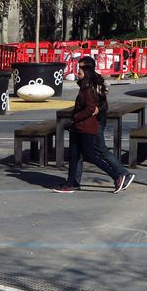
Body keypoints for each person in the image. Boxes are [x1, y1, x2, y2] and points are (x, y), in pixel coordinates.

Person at [54, 56, 135, 194]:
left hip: (92, 123)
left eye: (80, 68)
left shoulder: (94, 84)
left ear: (88, 69)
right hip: (82, 124)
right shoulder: (86, 84)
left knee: (97, 151)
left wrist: (88, 113)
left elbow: (97, 104)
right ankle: (72, 182)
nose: (77, 70)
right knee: (76, 154)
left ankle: (120, 174)